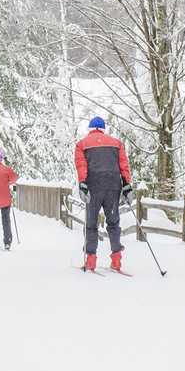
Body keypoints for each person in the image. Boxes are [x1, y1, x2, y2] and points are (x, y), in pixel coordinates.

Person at [74, 116, 133, 272]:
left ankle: (91, 260)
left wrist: (83, 184)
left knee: (91, 223)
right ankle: (116, 260)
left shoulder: (81, 144)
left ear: (90, 129)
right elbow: (124, 165)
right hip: (113, 186)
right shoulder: (117, 144)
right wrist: (127, 185)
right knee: (113, 222)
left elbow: (81, 165)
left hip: (93, 186)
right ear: (103, 129)